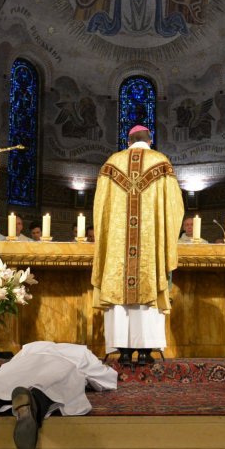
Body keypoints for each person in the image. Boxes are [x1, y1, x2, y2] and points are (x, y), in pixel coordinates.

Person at [91, 125, 184, 365]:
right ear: (150, 141)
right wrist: (167, 237)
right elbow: (175, 207)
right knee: (147, 292)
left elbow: (99, 209)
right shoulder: (161, 163)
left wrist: (105, 238)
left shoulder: (111, 163)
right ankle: (144, 353)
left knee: (119, 298)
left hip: (117, 247)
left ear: (128, 140)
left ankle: (122, 351)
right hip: (149, 248)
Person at [0, 341, 118, 449]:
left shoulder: (29, 348)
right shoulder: (80, 351)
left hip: (20, 365)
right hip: (61, 363)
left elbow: (12, 363)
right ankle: (30, 403)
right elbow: (106, 378)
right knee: (50, 389)